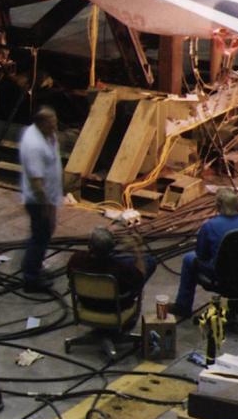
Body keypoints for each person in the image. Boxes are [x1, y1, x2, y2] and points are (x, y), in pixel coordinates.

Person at [172, 188, 238, 320]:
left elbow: (202, 255)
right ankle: (237, 301)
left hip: (220, 276)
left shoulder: (209, 226)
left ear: (218, 206)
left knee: (189, 259)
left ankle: (183, 306)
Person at [17, 105, 63, 295]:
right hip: (39, 200)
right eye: (51, 123)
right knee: (40, 236)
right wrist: (46, 206)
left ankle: (34, 266)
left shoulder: (47, 134)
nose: (55, 126)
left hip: (49, 196)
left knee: (43, 233)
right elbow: (37, 182)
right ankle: (31, 278)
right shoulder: (34, 145)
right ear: (41, 123)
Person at [68, 226, 148, 308]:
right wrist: (137, 250)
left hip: (86, 304)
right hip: (114, 308)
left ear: (89, 245)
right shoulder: (119, 269)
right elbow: (141, 277)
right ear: (112, 248)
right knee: (150, 261)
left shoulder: (76, 260)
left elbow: (69, 277)